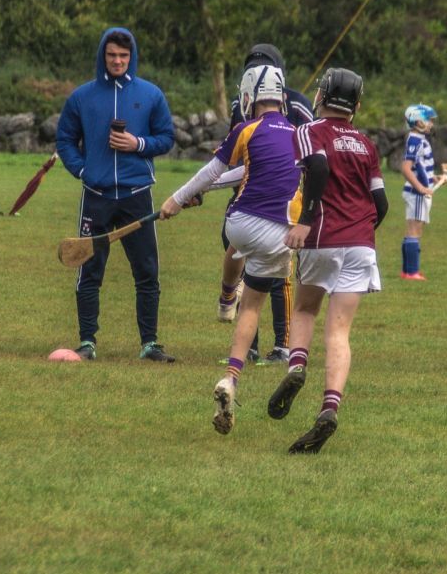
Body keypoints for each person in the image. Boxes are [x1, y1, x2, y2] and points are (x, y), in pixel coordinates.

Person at [158, 64, 301, 436]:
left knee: (238, 246)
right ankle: (232, 373)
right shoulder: (301, 135)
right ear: (282, 97)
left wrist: (178, 198)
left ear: (249, 96)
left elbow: (214, 171)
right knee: (252, 305)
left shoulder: (246, 128)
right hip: (283, 233)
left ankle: (225, 299)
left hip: (240, 222)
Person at [266, 68, 388, 454]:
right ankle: (329, 408)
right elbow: (380, 203)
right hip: (361, 244)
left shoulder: (310, 130)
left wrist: (305, 222)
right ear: (357, 104)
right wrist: (362, 231)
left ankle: (297, 367)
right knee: (339, 332)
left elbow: (317, 168)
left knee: (304, 310)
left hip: (322, 237)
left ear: (322, 95)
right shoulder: (367, 144)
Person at [56, 27, 176, 363]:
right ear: (102, 56)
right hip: (96, 195)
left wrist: (137, 144)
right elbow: (64, 140)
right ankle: (87, 342)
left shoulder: (151, 95)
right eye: (112, 55)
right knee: (89, 271)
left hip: (138, 195)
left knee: (147, 271)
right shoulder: (82, 97)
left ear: (132, 56)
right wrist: (83, 170)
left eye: (124, 56)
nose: (118, 61)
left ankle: (150, 344)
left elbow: (166, 138)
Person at [216, 43, 313, 366]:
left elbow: (310, 155)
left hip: (285, 202)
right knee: (240, 259)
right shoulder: (240, 105)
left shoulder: (298, 105)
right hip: (247, 195)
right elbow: (237, 154)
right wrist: (210, 185)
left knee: (279, 275)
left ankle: (282, 345)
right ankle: (251, 345)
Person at [400, 103, 438, 279]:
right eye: (429, 120)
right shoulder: (415, 140)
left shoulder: (418, 139)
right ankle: (412, 272)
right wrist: (421, 188)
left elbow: (419, 166)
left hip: (417, 192)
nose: (431, 124)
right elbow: (406, 168)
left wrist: (432, 178)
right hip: (416, 194)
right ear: (418, 121)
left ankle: (407, 271)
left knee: (412, 230)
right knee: (415, 230)